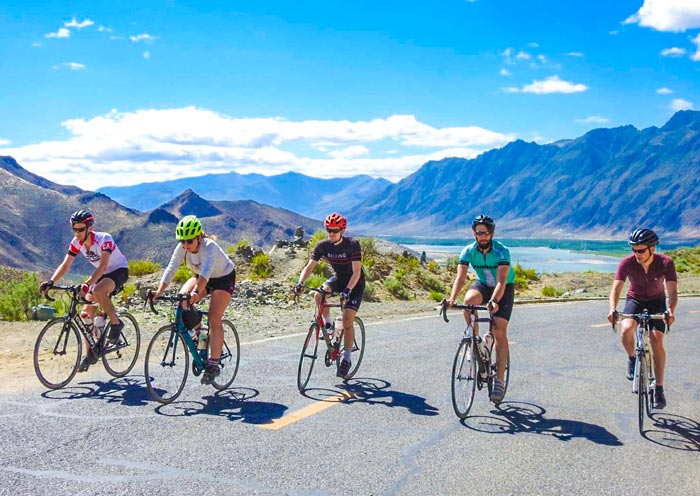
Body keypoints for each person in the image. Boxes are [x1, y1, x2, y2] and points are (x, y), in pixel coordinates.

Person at [39, 210, 129, 372]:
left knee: (99, 291)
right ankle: (91, 353)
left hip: (118, 271)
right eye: (75, 229)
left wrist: (87, 284)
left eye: (81, 229)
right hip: (100, 274)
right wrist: (51, 281)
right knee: (85, 314)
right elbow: (65, 265)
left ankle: (116, 323)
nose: (77, 233)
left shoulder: (104, 239)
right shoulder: (76, 242)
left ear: (89, 227)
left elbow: (103, 266)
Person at [151, 215, 236, 385]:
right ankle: (200, 332)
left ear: (198, 237)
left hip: (223, 278)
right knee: (183, 299)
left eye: (189, 241)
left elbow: (206, 273)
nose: (185, 245)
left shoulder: (210, 247)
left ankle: (213, 363)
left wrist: (197, 293)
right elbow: (172, 267)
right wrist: (159, 291)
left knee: (214, 318)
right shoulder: (182, 247)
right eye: (182, 241)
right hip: (201, 277)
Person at [446, 214, 515, 404]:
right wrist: (452, 298)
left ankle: (499, 378)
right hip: (483, 284)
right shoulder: (468, 251)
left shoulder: (502, 251)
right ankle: (476, 342)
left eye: (485, 233)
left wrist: (494, 301)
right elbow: (460, 278)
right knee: (468, 302)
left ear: (492, 233)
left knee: (499, 328)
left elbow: (501, 281)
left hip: (504, 287)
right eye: (478, 233)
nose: (482, 237)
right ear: (474, 234)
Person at [607, 228, 677, 410]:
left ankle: (659, 388)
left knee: (656, 341)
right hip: (635, 300)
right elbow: (616, 289)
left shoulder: (665, 263)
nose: (636, 254)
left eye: (640, 250)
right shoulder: (627, 263)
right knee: (626, 329)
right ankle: (632, 358)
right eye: (633, 250)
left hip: (657, 302)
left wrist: (670, 310)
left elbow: (672, 291)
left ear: (652, 249)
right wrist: (613, 309)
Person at [294, 213, 365, 379]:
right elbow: (309, 266)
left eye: (335, 230)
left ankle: (346, 358)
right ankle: (329, 325)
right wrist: (300, 283)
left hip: (355, 283)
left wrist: (347, 290)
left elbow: (356, 272)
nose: (331, 233)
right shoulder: (323, 246)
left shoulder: (353, 245)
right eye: (329, 230)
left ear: (342, 230)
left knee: (347, 320)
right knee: (319, 296)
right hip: (339, 279)